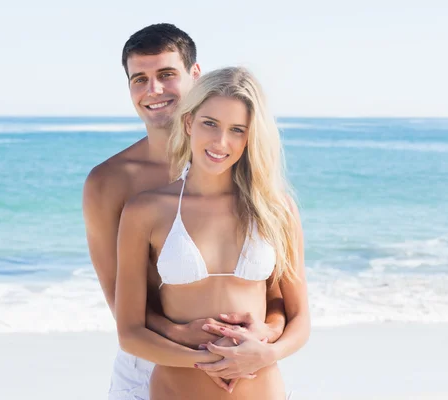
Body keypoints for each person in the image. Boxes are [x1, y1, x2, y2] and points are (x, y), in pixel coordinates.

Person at [83, 24, 288, 399]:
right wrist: (186, 339)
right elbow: (120, 300)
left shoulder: (240, 176)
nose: (153, 91)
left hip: (243, 365)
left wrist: (263, 335)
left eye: (166, 75)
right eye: (139, 79)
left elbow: (275, 293)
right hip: (149, 362)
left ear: (196, 75)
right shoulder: (109, 182)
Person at [115, 66, 310, 399]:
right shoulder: (144, 211)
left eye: (237, 130)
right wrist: (201, 360)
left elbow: (299, 317)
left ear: (252, 137)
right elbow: (130, 332)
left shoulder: (277, 210)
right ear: (189, 122)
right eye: (210, 124)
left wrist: (268, 352)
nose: (221, 142)